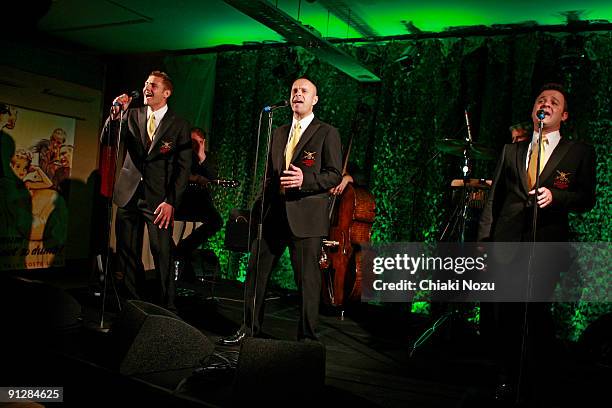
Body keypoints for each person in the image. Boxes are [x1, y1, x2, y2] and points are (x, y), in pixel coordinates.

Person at [478, 83, 596, 403]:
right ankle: (507, 378)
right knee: (506, 314)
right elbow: (494, 199)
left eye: (554, 102)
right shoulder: (512, 151)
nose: (546, 104)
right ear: (534, 110)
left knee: (534, 311)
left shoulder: (578, 152)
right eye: (541, 100)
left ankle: (535, 380)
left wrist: (556, 196)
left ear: (564, 115)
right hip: (506, 241)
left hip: (546, 243)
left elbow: (587, 198)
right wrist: (484, 241)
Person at [220, 77, 342, 345]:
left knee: (307, 281)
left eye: (304, 91)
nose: (298, 94)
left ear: (315, 100)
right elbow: (269, 177)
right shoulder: (278, 132)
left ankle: (307, 340)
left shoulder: (326, 132)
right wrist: (256, 210)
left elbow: (334, 175)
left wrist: (306, 181)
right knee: (255, 271)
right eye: (294, 90)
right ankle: (249, 328)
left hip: (306, 218)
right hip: (274, 215)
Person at [101, 71, 191, 312]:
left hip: (158, 198)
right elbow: (107, 139)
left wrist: (171, 201)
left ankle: (166, 306)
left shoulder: (179, 124)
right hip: (129, 192)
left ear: (166, 92)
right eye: (145, 84)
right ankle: (131, 302)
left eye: (153, 85)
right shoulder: (131, 115)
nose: (146, 88)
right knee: (126, 249)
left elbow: (183, 169)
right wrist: (114, 114)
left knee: (161, 251)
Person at [173, 127, 223, 282]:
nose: (193, 146)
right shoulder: (180, 155)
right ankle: (175, 253)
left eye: (197, 142)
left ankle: (183, 248)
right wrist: (194, 178)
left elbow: (212, 178)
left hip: (200, 203)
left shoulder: (207, 158)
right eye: (191, 142)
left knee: (217, 221)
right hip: (181, 202)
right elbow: (177, 174)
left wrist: (201, 154)